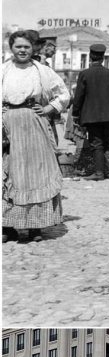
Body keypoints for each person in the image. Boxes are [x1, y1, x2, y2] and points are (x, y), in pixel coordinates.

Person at [2, 29, 69, 243]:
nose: (22, 50)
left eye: (26, 47)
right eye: (18, 46)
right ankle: (9, 227)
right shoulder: (3, 70)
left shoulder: (42, 71)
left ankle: (35, 227)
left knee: (36, 172)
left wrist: (49, 108)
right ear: (11, 48)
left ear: (33, 49)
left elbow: (64, 93)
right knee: (11, 172)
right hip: (8, 125)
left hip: (34, 123)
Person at [72, 43, 109, 181]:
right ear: (103, 57)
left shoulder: (84, 74)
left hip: (91, 116)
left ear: (90, 56)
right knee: (107, 142)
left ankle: (99, 173)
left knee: (96, 144)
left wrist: (75, 113)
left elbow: (79, 96)